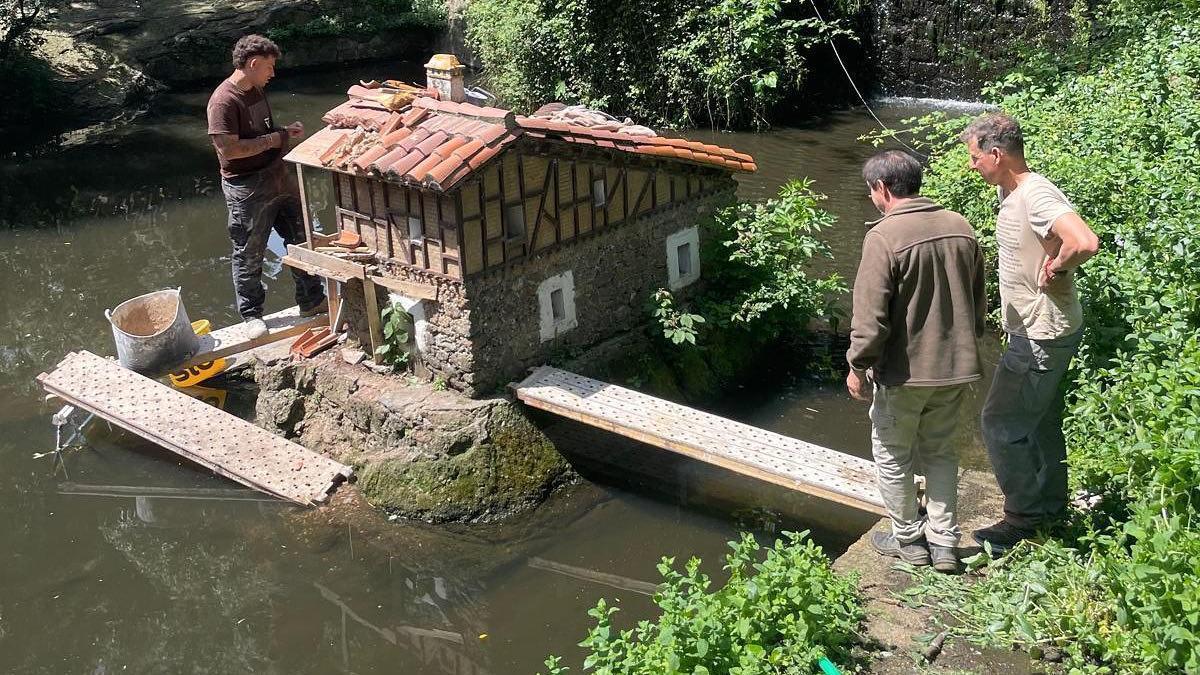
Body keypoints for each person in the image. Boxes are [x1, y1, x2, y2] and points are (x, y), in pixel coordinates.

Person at [961, 114, 1100, 549]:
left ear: (996, 154)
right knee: (1040, 421)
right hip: (1045, 329)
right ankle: (1052, 507)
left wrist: (1058, 266)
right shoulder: (1012, 189)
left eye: (974, 156)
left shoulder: (1035, 194)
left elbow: (1085, 241)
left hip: (1041, 334)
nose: (971, 166)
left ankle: (1022, 519)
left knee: (999, 422)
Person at [846, 149, 987, 573]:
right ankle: (944, 543)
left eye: (872, 190)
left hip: (904, 373)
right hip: (956, 367)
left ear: (882, 189)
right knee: (941, 451)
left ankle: (907, 540)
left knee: (893, 454)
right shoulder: (961, 226)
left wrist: (857, 365)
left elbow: (869, 317)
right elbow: (977, 302)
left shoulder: (883, 237)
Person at [206, 34, 325, 338]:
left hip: (277, 174)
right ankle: (251, 314)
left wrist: (285, 132)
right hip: (246, 187)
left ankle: (311, 300)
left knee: (301, 236)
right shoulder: (223, 101)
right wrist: (276, 139)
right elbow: (229, 150)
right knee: (249, 250)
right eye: (269, 67)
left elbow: (265, 133)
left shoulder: (256, 89)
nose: (273, 74)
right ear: (253, 64)